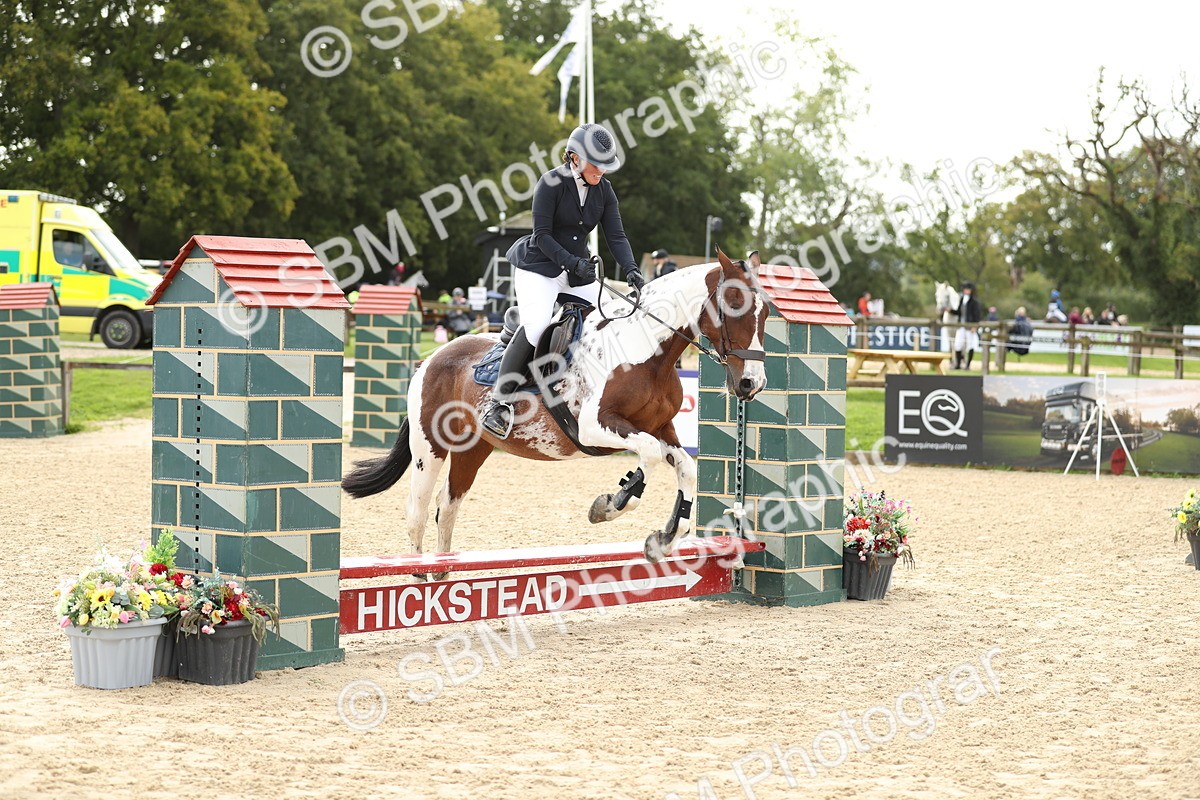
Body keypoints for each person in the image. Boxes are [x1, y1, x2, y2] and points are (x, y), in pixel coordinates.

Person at [480, 123, 646, 439]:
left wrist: (632, 270)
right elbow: (541, 236)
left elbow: (616, 235)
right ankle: (499, 404)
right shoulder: (551, 183)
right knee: (538, 325)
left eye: (605, 165)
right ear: (574, 158)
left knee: (610, 315)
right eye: (597, 164)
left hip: (576, 271)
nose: (602, 171)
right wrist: (573, 263)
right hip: (538, 268)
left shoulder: (604, 190)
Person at [952, 281, 981, 370]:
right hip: (961, 325)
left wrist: (975, 325)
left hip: (969, 326)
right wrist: (950, 310)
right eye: (965, 289)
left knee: (970, 345)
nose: (966, 291)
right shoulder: (962, 300)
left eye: (968, 289)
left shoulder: (974, 302)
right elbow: (959, 312)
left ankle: (968, 365)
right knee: (958, 344)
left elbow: (977, 314)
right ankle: (958, 364)